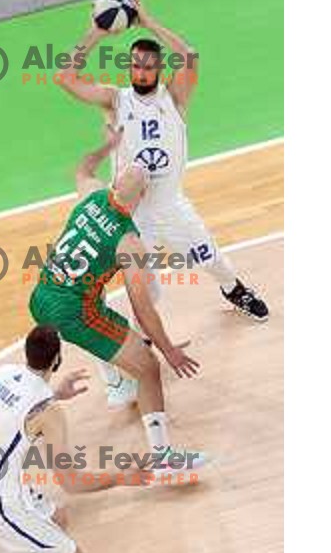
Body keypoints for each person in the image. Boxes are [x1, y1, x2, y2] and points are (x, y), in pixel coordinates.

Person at [56, 0, 269, 406]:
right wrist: (97, 33)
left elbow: (189, 55)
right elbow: (66, 77)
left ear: (157, 69)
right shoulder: (115, 100)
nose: (141, 70)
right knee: (144, 292)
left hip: (172, 207)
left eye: (149, 65)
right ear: (130, 67)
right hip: (132, 219)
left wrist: (148, 20)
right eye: (135, 64)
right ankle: (145, 347)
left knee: (213, 258)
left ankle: (234, 290)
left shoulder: (175, 98)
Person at [29, 128, 204, 470]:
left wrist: (106, 146)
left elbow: (82, 169)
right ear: (141, 197)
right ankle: (161, 457)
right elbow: (143, 307)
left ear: (113, 186)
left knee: (113, 328)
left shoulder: (92, 197)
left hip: (41, 295)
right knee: (149, 368)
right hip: (75, 312)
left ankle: (26, 417)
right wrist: (168, 350)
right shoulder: (128, 242)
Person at [0, 325, 151, 553]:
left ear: (26, 352)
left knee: (57, 517)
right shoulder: (49, 413)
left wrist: (54, 394)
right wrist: (122, 476)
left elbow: (17, 410)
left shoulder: (2, 373)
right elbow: (72, 483)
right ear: (57, 360)